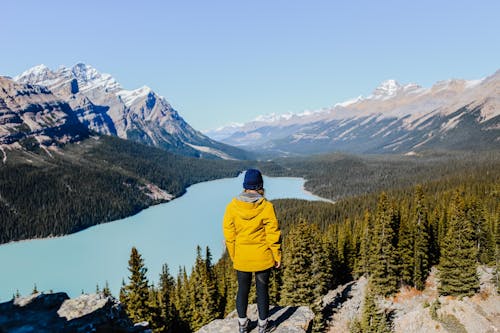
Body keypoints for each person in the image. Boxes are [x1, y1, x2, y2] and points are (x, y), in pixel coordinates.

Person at [223, 169, 281, 333]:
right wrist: (276, 255)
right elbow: (273, 234)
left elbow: (229, 234)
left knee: (242, 290)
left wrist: (234, 255)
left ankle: (242, 325)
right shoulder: (266, 206)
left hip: (242, 257)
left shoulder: (232, 206)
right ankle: (263, 326)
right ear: (260, 186)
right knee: (262, 290)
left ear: (245, 186)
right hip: (263, 256)